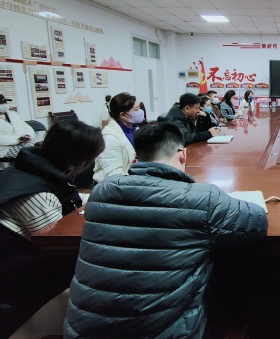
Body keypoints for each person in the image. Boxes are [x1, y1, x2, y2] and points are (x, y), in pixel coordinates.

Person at [64, 122, 268, 339]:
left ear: (135, 159)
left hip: (83, 333)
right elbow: (257, 222)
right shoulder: (201, 198)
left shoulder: (101, 191)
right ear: (183, 155)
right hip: (167, 333)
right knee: (233, 281)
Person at [0, 120, 104, 337]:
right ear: (78, 158)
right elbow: (59, 242)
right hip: (16, 269)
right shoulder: (38, 193)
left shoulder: (34, 170)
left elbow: (70, 198)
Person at [93, 93, 142, 182]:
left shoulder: (135, 131)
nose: (140, 112)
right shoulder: (109, 139)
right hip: (118, 185)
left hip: (135, 181)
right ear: (123, 115)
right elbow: (114, 176)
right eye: (136, 110)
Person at [0, 94, 35, 160]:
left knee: (37, 146)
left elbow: (25, 127)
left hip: (19, 143)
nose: (4, 105)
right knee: (30, 152)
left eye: (5, 102)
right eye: (1, 103)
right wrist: (18, 140)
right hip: (4, 148)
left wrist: (27, 135)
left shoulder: (12, 114)